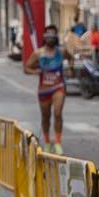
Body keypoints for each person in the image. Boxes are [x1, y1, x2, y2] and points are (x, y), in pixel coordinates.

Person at [24, 24, 72, 154]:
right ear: (45, 37)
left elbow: (71, 57)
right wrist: (37, 71)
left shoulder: (61, 52)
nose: (50, 38)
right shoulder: (38, 53)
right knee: (46, 117)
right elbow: (26, 67)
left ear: (56, 37)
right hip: (44, 89)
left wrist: (70, 70)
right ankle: (47, 142)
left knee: (57, 113)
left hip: (58, 86)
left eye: (53, 35)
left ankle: (57, 142)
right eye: (48, 35)